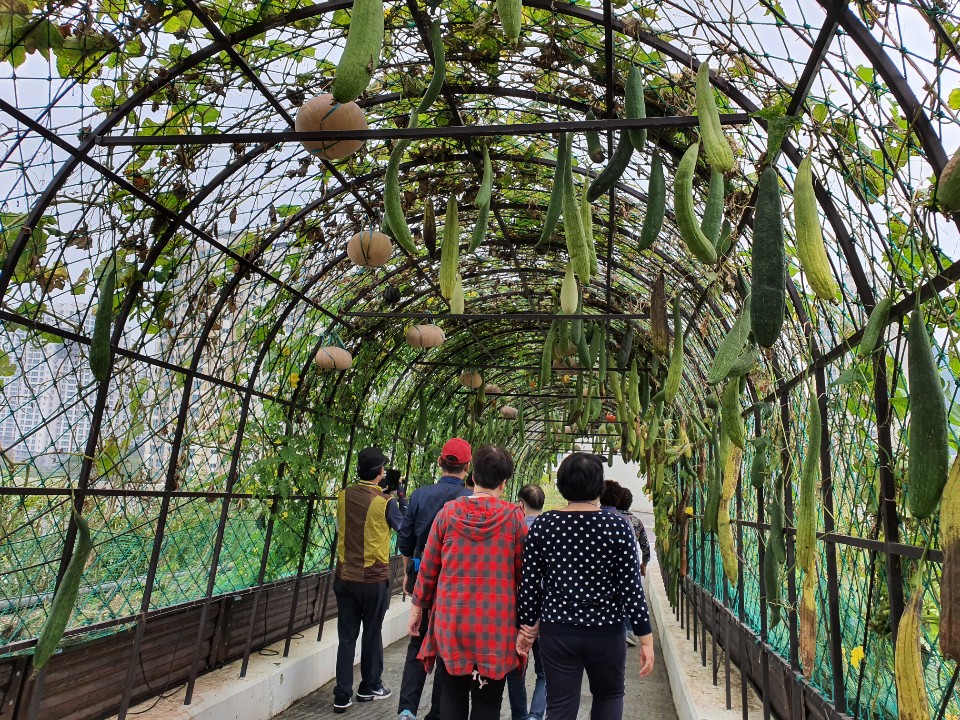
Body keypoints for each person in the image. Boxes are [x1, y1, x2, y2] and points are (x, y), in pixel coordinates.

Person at [517, 453, 655, 720]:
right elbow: (631, 588)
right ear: (599, 486)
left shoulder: (545, 524)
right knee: (609, 696)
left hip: (557, 630)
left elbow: (530, 583)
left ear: (561, 485)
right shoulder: (618, 526)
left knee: (560, 704)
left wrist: (528, 626)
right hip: (606, 631)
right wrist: (645, 638)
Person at [408, 444, 527, 720]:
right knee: (488, 705)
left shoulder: (448, 513)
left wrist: (417, 609)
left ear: (472, 476)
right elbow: (525, 577)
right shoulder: (513, 519)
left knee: (451, 697)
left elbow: (428, 568)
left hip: (452, 624)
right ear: (504, 482)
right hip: (496, 629)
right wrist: (528, 625)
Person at [396, 438, 474, 720]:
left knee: (417, 642)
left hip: (422, 576)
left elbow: (406, 541)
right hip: (454, 583)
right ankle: (438, 713)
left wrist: (410, 573)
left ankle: (407, 709)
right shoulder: (468, 499)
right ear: (467, 467)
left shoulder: (419, 495)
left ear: (440, 462)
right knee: (446, 648)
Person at [332, 446, 406, 713]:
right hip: (373, 580)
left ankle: (342, 695)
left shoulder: (342, 496)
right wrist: (400, 498)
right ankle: (370, 686)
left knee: (346, 637)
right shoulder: (386, 502)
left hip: (344, 578)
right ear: (380, 472)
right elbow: (404, 527)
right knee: (372, 632)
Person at [506, 484, 547, 720]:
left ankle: (520, 716)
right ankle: (535, 716)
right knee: (544, 673)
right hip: (544, 613)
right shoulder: (550, 531)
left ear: (520, 505)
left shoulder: (512, 531)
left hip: (516, 611)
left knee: (515, 670)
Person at [616, 487, 651, 647]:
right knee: (630, 595)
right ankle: (629, 631)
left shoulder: (609, 519)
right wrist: (644, 564)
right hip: (631, 563)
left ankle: (617, 627)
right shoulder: (636, 521)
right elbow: (645, 547)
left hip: (611, 564)